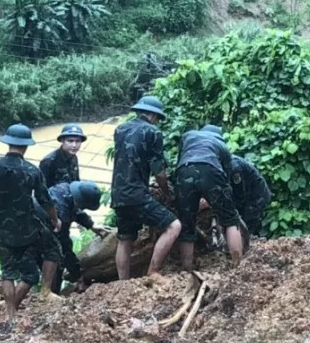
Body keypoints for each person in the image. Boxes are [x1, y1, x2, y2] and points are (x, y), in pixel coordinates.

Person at [0, 124, 61, 325]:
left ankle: (10, 315)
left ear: (9, 143)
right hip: (27, 230)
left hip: (0, 229)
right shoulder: (31, 171)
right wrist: (55, 220)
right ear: (25, 147)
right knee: (51, 251)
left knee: (8, 272)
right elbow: (45, 199)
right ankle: (45, 290)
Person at [110, 95, 182, 279]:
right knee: (173, 226)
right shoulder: (153, 132)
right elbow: (159, 171)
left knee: (125, 238)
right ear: (154, 116)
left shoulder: (120, 129)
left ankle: (123, 283)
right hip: (136, 193)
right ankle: (153, 272)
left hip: (118, 194)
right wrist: (166, 192)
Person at [174, 124, 243, 269]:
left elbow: (179, 161)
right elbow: (226, 179)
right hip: (211, 170)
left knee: (186, 225)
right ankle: (238, 266)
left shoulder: (188, 136)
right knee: (231, 220)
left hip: (184, 170)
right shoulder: (222, 147)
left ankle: (187, 269)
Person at [36, 180, 106, 294]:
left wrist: (91, 225)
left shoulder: (65, 189)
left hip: (39, 228)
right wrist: (78, 276)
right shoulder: (61, 212)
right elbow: (65, 247)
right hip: (34, 235)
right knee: (55, 262)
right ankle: (49, 295)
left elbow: (75, 210)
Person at [230, 154, 271, 248]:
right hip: (248, 194)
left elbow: (239, 195)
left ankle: (245, 249)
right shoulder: (225, 163)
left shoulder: (234, 167)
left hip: (257, 196)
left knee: (246, 224)